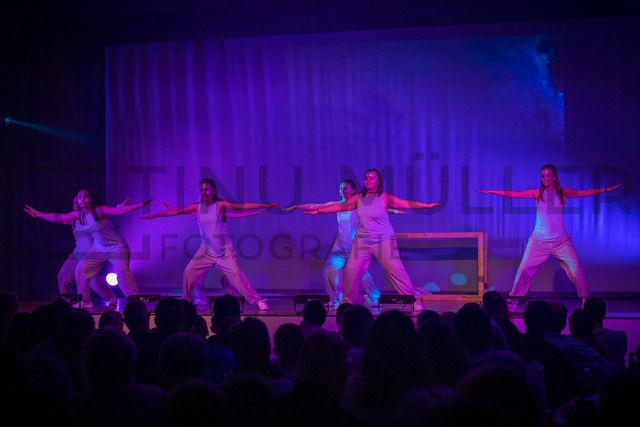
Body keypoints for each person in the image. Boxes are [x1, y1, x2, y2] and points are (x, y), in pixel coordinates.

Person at [476, 164, 622, 304]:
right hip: (538, 242)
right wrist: (491, 191)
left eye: (548, 176)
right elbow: (514, 194)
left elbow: (584, 192)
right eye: (543, 176)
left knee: (576, 269)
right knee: (524, 269)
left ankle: (585, 299)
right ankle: (513, 300)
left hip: (561, 242)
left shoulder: (562, 192)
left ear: (554, 177)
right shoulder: (537, 193)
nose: (545, 178)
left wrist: (606, 189)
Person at [306, 168, 441, 311]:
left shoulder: (385, 197)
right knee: (351, 271)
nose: (368, 180)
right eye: (366, 178)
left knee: (396, 271)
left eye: (371, 178)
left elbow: (406, 203)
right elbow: (340, 207)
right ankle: (347, 302)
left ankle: (413, 300)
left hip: (384, 241)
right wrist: (318, 211)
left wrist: (426, 206)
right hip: (362, 242)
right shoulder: (358, 198)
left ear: (378, 181)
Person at [140, 178, 277, 310]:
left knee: (236, 275)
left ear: (214, 191)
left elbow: (241, 206)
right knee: (189, 272)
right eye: (201, 190)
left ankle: (257, 301)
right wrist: (155, 215)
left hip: (224, 251)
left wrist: (264, 205)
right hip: (206, 250)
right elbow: (178, 212)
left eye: (206, 190)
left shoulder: (220, 205)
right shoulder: (197, 207)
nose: (203, 192)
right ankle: (186, 300)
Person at [286, 179, 406, 307]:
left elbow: (378, 209)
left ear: (353, 190)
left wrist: (394, 210)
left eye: (346, 188)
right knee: (329, 270)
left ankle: (376, 298)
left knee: (362, 275)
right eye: (341, 188)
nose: (343, 190)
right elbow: (315, 206)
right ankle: (333, 299)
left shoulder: (359, 204)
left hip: (355, 245)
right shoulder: (337, 204)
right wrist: (297, 207)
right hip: (340, 245)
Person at [25, 190, 153, 309]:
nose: (83, 199)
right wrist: (39, 214)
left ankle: (136, 304)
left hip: (117, 248)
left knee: (123, 273)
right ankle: (85, 302)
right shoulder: (77, 215)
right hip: (98, 248)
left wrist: (140, 205)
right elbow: (59, 217)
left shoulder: (99, 210)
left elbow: (119, 211)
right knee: (81, 270)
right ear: (77, 201)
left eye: (86, 196)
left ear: (90, 199)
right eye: (80, 197)